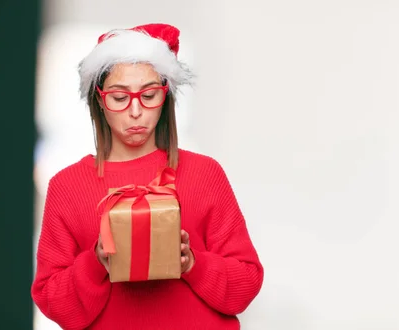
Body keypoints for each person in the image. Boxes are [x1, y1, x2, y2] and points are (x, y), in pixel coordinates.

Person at [31, 23, 264, 330]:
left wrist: (191, 262)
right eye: (119, 97)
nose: (136, 111)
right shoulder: (67, 187)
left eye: (150, 95)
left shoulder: (204, 174)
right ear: (100, 100)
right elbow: (52, 301)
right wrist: (97, 261)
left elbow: (246, 281)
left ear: (165, 96)